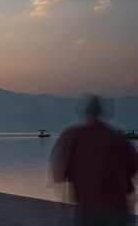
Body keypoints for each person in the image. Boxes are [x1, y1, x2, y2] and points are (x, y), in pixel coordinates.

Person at [51, 96, 138, 226]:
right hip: (116, 207)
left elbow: (59, 174)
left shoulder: (73, 136)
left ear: (86, 112)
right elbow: (134, 166)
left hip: (87, 208)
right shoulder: (117, 138)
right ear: (101, 112)